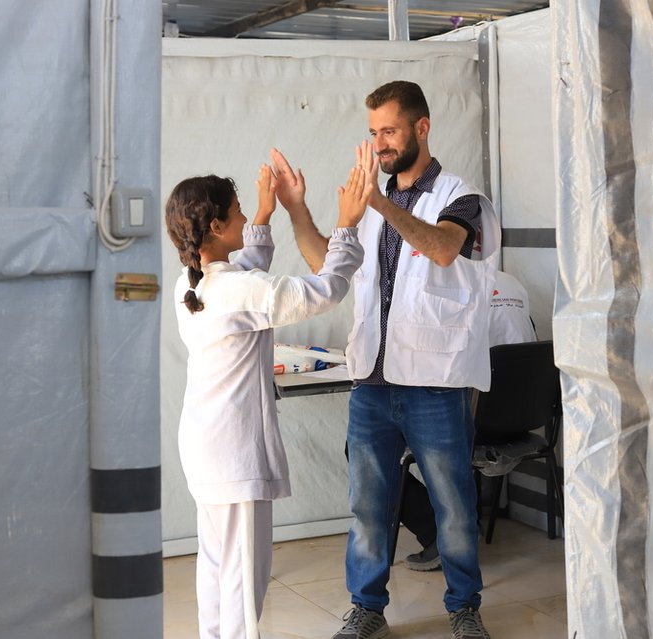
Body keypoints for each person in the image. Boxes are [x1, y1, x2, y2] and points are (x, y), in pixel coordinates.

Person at [271, 80, 500, 639]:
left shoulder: (461, 196)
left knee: (454, 507)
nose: (379, 144)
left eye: (390, 131)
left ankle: (464, 608)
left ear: (422, 128)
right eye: (373, 133)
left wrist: (375, 200)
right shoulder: (370, 204)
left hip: (435, 383)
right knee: (367, 508)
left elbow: (444, 247)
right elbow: (330, 263)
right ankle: (366, 607)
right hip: (371, 382)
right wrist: (297, 208)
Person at [165, 163, 371, 639]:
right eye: (236, 214)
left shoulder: (192, 284)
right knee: (242, 579)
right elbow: (325, 291)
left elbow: (248, 274)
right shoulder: (237, 289)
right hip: (233, 455)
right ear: (215, 227)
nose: (243, 220)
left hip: (206, 449)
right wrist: (346, 225)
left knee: (217, 568)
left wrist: (263, 208)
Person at [401, 269, 538, 572]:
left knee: (372, 443)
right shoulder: (512, 282)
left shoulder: (441, 291)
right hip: (527, 416)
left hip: (476, 420)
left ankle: (440, 535)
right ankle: (458, 529)